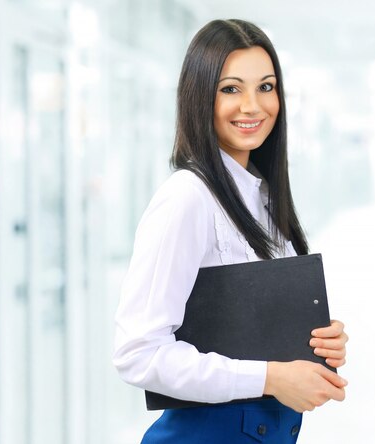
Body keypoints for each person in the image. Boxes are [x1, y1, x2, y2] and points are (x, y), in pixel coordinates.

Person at [112, 19, 349, 443]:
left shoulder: (262, 197)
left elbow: (242, 323)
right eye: (231, 89)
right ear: (200, 97)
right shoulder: (188, 198)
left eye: (266, 87)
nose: (253, 106)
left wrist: (312, 339)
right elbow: (139, 354)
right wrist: (270, 378)